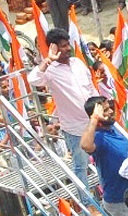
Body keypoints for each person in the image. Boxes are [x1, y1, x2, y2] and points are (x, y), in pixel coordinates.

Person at [27, 29, 102, 185]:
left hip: (95, 121)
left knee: (101, 159)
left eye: (68, 44)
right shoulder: (50, 71)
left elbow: (90, 87)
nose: (68, 48)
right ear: (54, 48)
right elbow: (33, 79)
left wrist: (99, 107)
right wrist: (48, 60)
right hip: (75, 128)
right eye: (63, 46)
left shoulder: (78, 63)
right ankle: (86, 203)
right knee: (81, 165)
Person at [79, 97, 128, 216]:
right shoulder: (98, 136)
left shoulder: (113, 128)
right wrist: (94, 119)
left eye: (110, 108)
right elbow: (86, 145)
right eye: (105, 110)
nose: (110, 112)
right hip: (119, 199)